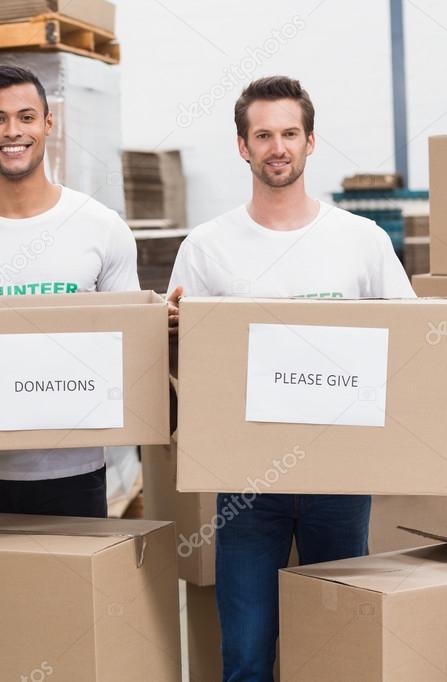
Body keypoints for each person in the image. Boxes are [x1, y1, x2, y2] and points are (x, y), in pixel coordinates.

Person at [167, 76, 414, 682]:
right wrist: (173, 337)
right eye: (263, 135)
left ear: (310, 141)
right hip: (247, 488)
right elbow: (182, 372)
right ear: (242, 147)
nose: (277, 146)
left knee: (336, 651)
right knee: (247, 656)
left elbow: (409, 350)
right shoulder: (206, 247)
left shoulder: (362, 242)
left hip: (340, 479)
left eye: (289, 133)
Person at [0, 64, 139, 518]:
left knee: (72, 592)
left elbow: (129, 337)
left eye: (26, 117)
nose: (12, 131)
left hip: (74, 468)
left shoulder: (100, 228)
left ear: (48, 124)